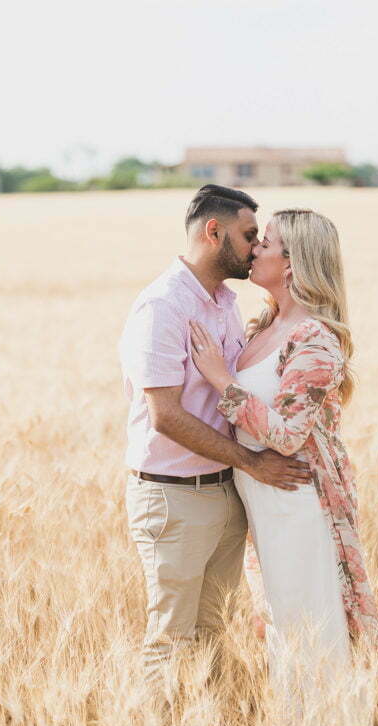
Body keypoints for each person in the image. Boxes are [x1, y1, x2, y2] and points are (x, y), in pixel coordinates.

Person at [189, 208, 378, 726]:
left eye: (267, 242)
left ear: (294, 261)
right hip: (265, 502)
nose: (254, 248)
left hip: (299, 504)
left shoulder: (315, 340)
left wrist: (219, 380)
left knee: (311, 627)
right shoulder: (263, 328)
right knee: (281, 626)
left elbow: (286, 435)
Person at [119, 186, 312, 690]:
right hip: (174, 495)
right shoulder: (163, 307)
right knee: (170, 639)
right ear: (213, 232)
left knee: (212, 634)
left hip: (223, 490)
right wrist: (254, 463)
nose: (255, 247)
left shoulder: (224, 302)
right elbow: (165, 416)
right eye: (250, 235)